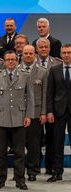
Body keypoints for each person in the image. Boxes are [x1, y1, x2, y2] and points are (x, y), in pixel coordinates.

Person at [0, 50, 34, 190]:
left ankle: (20, 179)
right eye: (8, 59)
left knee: (19, 153)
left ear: (17, 60)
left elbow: (31, 98)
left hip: (19, 118)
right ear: (4, 60)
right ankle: (0, 179)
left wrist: (28, 115)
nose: (10, 62)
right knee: (1, 153)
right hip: (2, 119)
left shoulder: (25, 75)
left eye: (13, 59)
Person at [18, 45, 47, 181]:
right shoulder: (15, 70)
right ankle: (19, 172)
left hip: (35, 114)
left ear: (35, 54)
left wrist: (44, 113)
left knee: (34, 145)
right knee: (18, 145)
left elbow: (45, 94)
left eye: (31, 53)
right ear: (22, 55)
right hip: (18, 113)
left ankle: (33, 171)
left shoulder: (43, 72)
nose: (28, 55)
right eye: (26, 53)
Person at [36, 37, 62, 175]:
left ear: (50, 48)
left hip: (53, 108)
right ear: (37, 49)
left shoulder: (57, 63)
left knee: (52, 138)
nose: (44, 49)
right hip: (36, 108)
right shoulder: (29, 63)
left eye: (46, 46)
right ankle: (34, 167)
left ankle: (50, 166)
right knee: (36, 140)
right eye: (41, 47)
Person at [47, 44, 71, 182]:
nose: (66, 55)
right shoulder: (54, 70)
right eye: (64, 53)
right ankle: (57, 172)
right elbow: (50, 92)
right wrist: (49, 111)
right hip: (58, 111)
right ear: (61, 54)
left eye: (69, 52)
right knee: (58, 143)